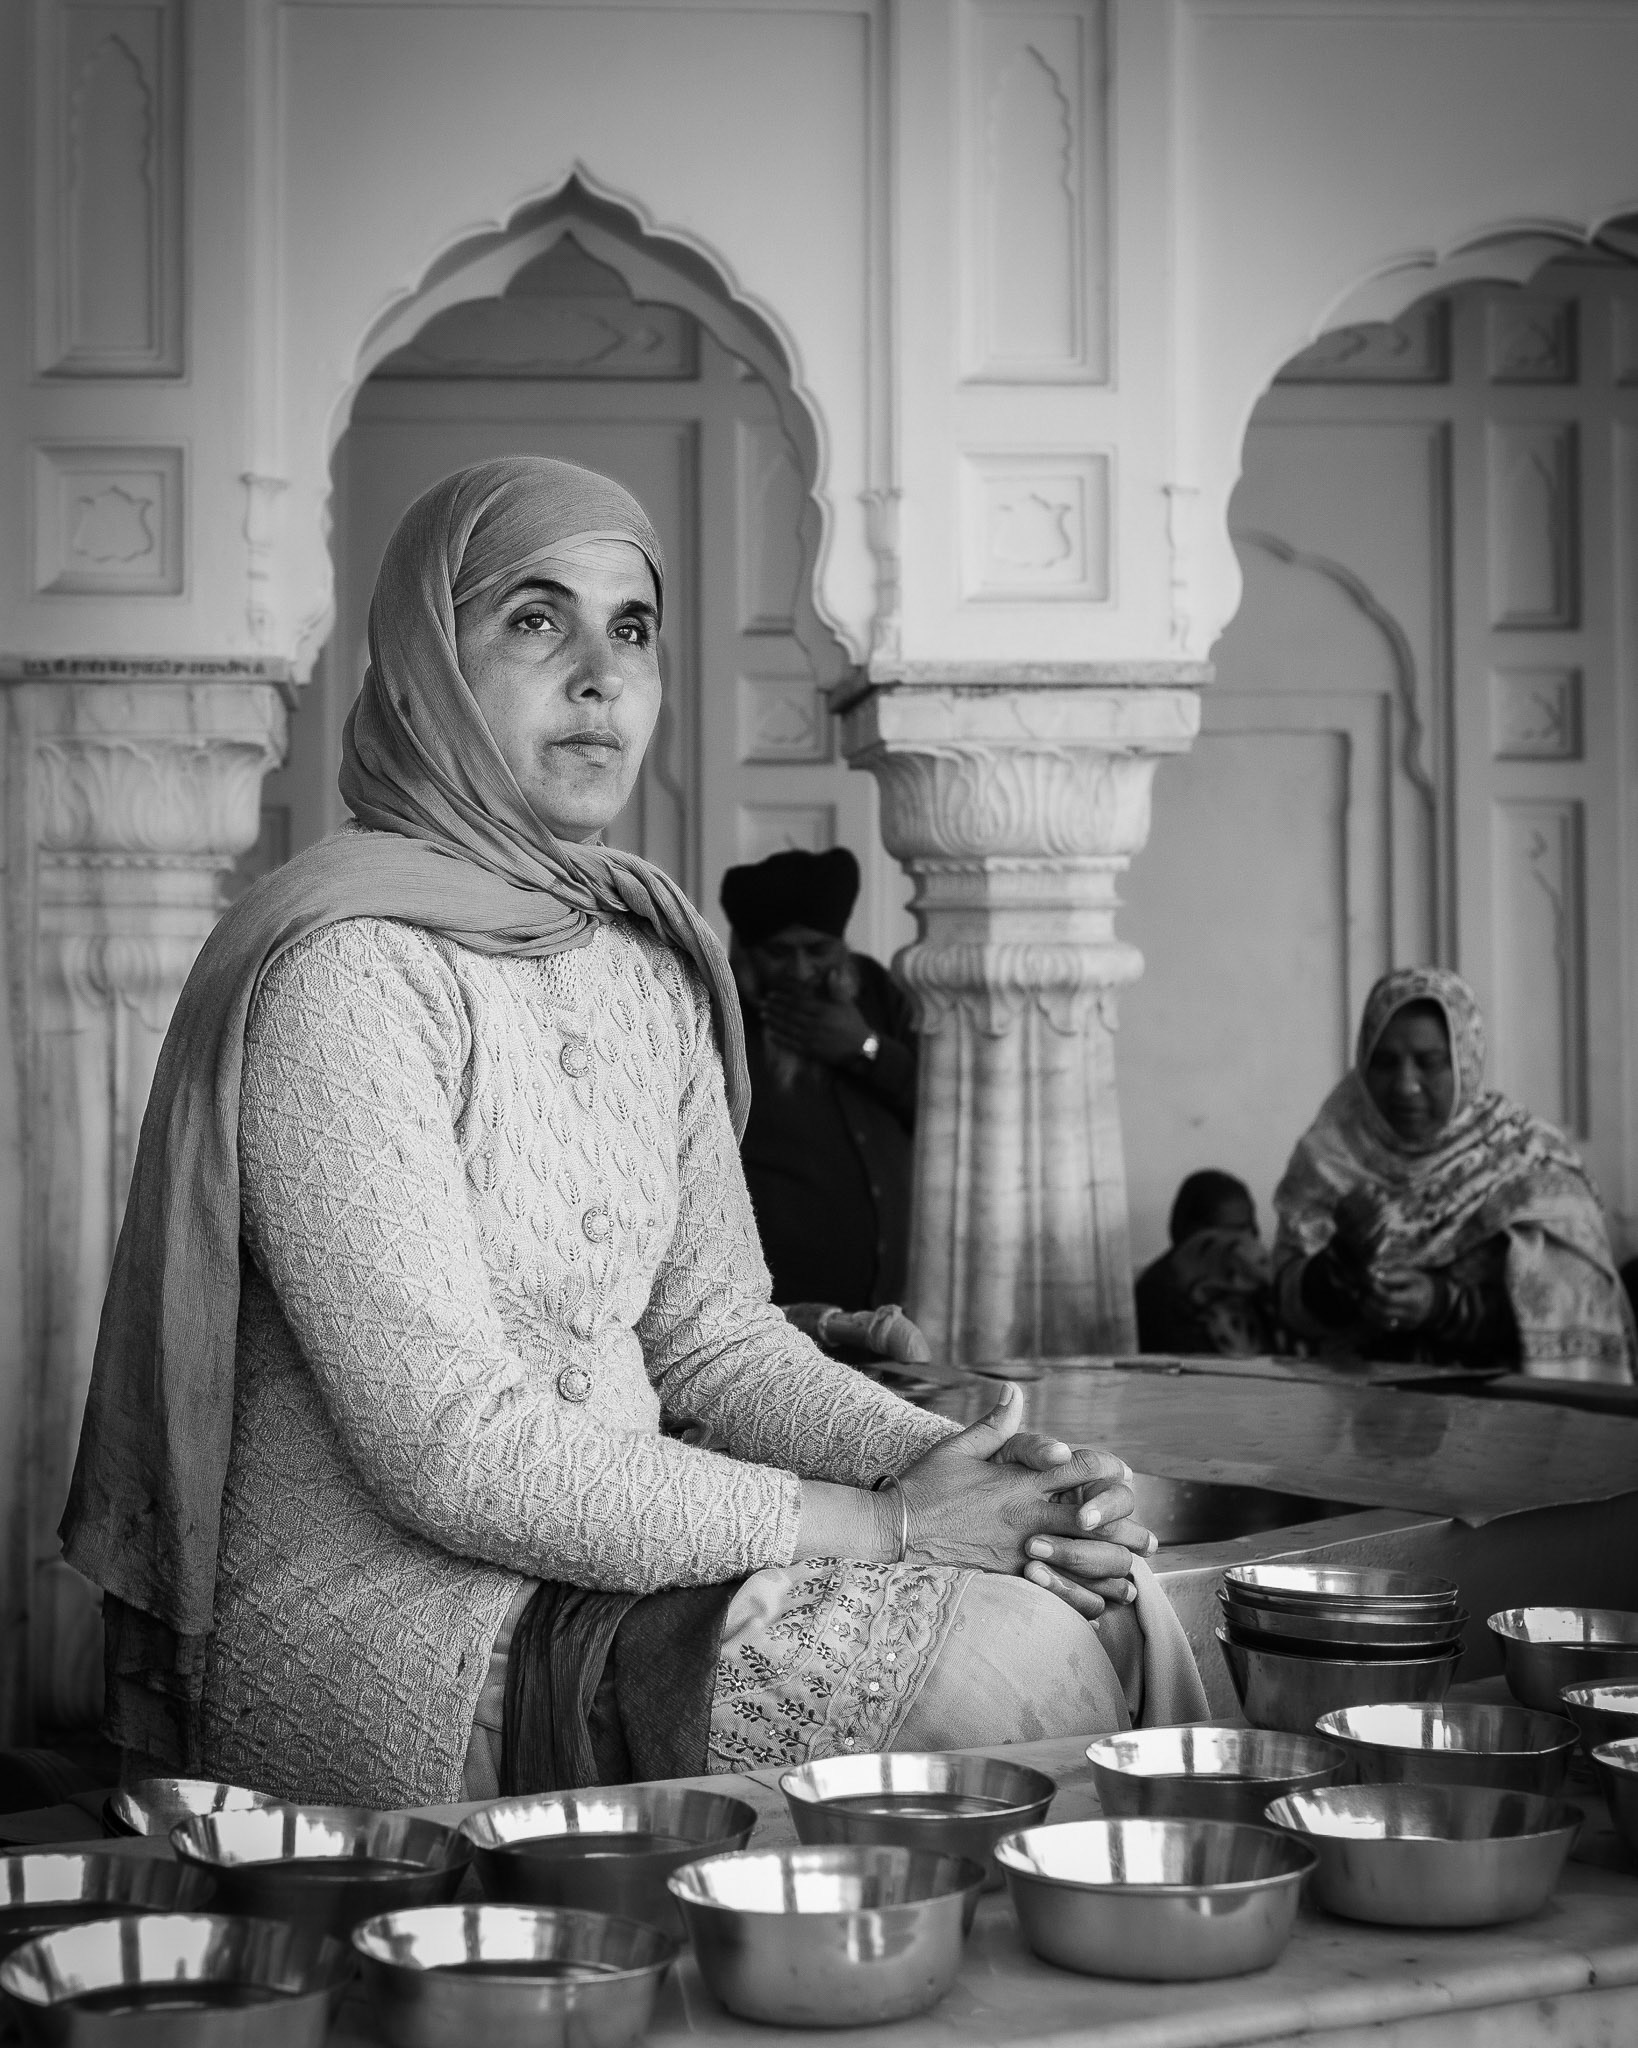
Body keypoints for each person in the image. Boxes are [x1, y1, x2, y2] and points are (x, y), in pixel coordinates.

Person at [59, 457, 1205, 1808]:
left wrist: (984, 1484)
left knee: (1103, 1598)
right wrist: (890, 1527)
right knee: (999, 1682)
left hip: (631, 1561)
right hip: (412, 1627)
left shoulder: (644, 959)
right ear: (431, 660)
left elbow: (712, 1338)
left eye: (635, 628)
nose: (602, 674)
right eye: (536, 620)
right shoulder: (349, 974)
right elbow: (452, 1447)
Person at [1272, 966, 1635, 1382]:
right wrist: (1343, 1259)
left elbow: (1577, 1308)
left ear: (1466, 1060)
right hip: (1357, 1422)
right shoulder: (1328, 1159)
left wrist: (1443, 1305)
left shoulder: (1529, 1162)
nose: (1406, 1085)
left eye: (1430, 1063)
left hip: (1504, 1425)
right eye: (1385, 1063)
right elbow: (1287, 1310)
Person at [721, 848, 916, 1311]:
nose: (801, 970)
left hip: (889, 1310)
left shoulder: (876, 992)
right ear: (746, 952)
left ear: (842, 944)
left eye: (818, 950)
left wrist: (865, 1048)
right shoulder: (718, 1015)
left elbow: (939, 1112)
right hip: (774, 1319)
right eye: (779, 953)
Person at [1134, 1171, 1275, 1357]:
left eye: (1251, 1229)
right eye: (1234, 1232)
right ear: (1193, 1234)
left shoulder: (1251, 1286)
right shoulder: (1158, 1293)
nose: (1248, 1240)